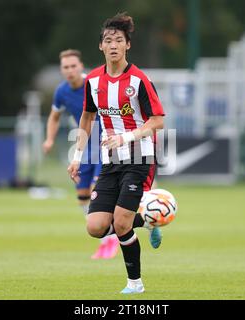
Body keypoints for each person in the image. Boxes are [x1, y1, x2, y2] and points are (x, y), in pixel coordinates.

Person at [68, 13, 164, 294]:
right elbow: (86, 118)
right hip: (110, 162)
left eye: (118, 41)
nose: (113, 45)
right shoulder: (93, 81)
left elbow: (157, 120)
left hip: (139, 158)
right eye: (108, 40)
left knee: (121, 223)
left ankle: (135, 284)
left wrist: (126, 136)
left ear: (127, 46)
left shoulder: (139, 80)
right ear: (100, 46)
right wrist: (76, 157)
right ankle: (147, 218)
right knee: (95, 227)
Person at [43, 49, 119, 259]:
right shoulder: (61, 92)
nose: (70, 71)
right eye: (65, 67)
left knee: (98, 192)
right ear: (61, 70)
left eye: (73, 66)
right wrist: (49, 139)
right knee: (82, 196)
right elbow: (54, 117)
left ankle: (112, 238)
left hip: (106, 145)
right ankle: (106, 238)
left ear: (81, 66)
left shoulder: (93, 84)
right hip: (84, 147)